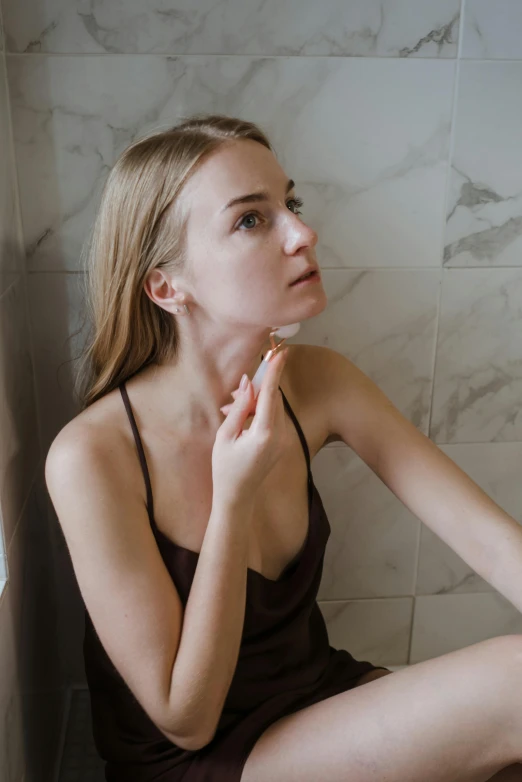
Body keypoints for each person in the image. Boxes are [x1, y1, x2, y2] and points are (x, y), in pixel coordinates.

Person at [45, 114, 522, 782]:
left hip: (318, 703)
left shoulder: (320, 381)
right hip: (200, 762)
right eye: (250, 220)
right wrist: (232, 498)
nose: (304, 233)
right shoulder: (92, 456)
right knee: (516, 687)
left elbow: (495, 545)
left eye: (289, 205)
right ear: (165, 286)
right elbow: (186, 719)